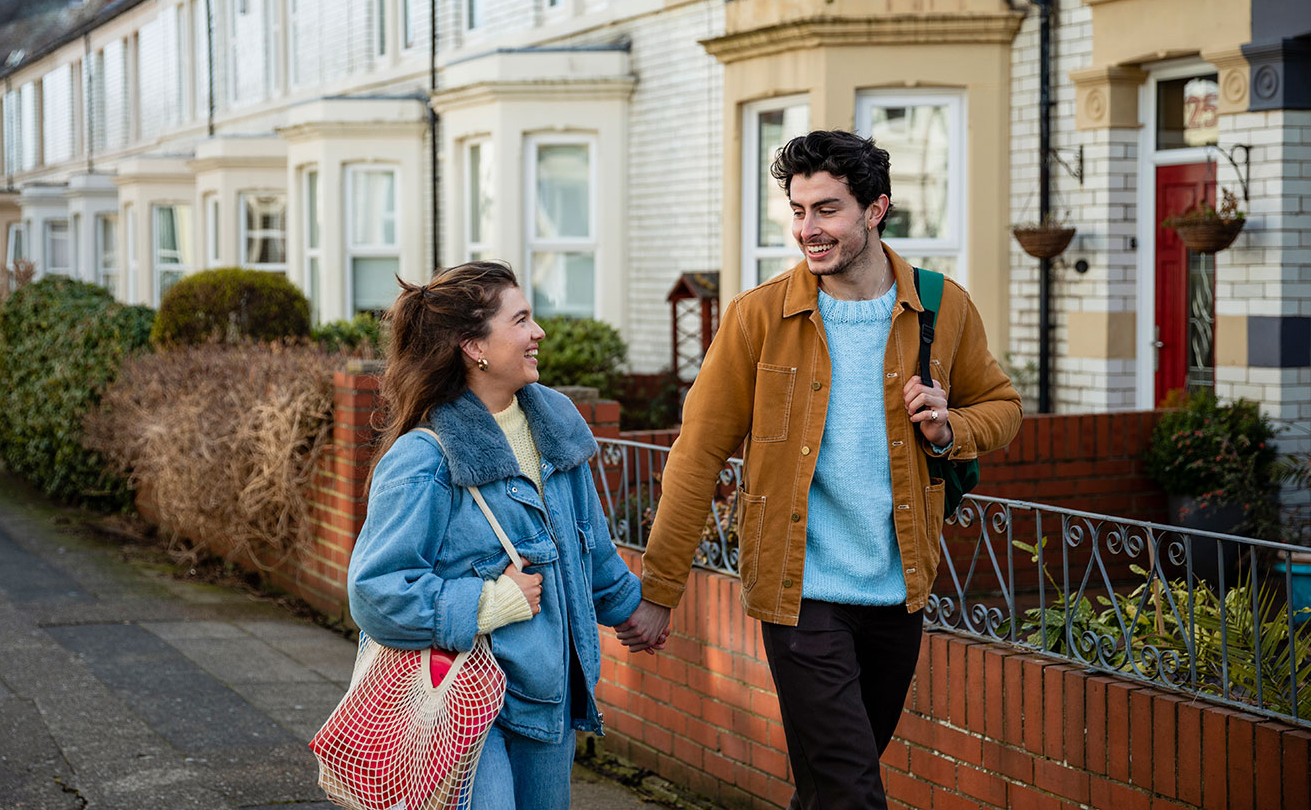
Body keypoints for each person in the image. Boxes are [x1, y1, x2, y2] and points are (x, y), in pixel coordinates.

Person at [617, 130, 1023, 809]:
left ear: (875, 209)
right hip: (802, 594)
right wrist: (659, 589)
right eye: (798, 210)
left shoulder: (941, 306)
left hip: (900, 593)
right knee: (855, 793)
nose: (809, 229)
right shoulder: (758, 318)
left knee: (830, 787)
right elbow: (695, 458)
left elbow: (1003, 408)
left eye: (827, 209)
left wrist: (953, 426)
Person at [347, 261, 663, 809]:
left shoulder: (554, 420)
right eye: (520, 320)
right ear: (474, 346)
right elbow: (376, 591)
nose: (538, 333)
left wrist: (633, 607)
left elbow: (588, 541)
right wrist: (489, 602)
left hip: (549, 694)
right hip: (465, 701)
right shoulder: (425, 459)